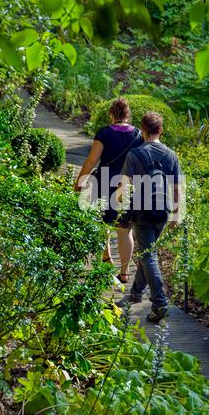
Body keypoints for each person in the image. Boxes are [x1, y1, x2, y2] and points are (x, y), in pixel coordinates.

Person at [117, 111, 182, 322]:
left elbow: (124, 187)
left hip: (142, 210)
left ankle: (160, 302)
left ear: (142, 131)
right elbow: (177, 188)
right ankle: (136, 292)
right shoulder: (171, 155)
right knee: (148, 251)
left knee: (148, 256)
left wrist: (118, 202)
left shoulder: (135, 154)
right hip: (162, 211)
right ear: (161, 130)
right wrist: (176, 215)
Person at [74, 98, 143, 282]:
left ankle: (107, 256)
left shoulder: (104, 133)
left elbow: (91, 160)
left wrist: (80, 180)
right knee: (124, 228)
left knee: (102, 222)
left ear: (112, 114)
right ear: (128, 114)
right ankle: (125, 272)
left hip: (104, 182)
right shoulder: (138, 135)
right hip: (127, 185)